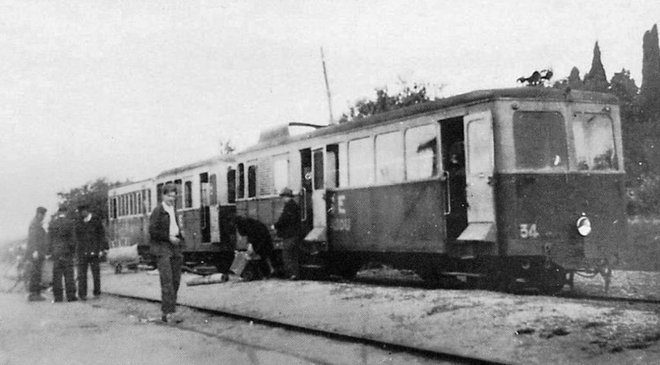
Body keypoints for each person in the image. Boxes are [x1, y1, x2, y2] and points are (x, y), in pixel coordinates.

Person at [149, 183, 184, 323]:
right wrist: (168, 237)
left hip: (175, 247)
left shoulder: (173, 210)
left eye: (174, 196)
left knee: (176, 280)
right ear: (163, 196)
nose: (172, 199)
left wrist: (180, 236)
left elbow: (175, 226)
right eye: (169, 196)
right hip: (162, 247)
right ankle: (167, 313)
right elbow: (152, 231)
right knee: (167, 281)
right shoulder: (158, 211)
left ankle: (171, 311)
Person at [74, 204, 108, 300]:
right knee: (82, 274)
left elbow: (101, 236)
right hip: (82, 252)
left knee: (96, 273)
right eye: (80, 212)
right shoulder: (79, 222)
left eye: (82, 212)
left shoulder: (96, 221)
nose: (81, 214)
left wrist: (102, 249)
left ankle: (97, 292)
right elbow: (77, 237)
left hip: (94, 251)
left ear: (87, 211)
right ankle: (82, 294)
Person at [47, 207, 77, 302]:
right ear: (66, 212)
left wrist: (49, 252)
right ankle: (71, 296)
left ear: (58, 213)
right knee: (69, 275)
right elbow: (73, 240)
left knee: (57, 276)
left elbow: (49, 240)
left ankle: (58, 297)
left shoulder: (52, 224)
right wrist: (72, 252)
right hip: (66, 252)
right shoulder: (70, 223)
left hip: (56, 252)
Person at [274, 187, 301, 280]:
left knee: (287, 255)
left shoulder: (289, 206)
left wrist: (276, 225)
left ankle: (291, 274)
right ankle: (295, 274)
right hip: (295, 234)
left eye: (283, 197)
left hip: (289, 235)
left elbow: (284, 219)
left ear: (286, 197)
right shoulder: (295, 205)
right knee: (294, 256)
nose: (282, 199)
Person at [26, 206, 48, 302]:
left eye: (44, 215)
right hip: (36, 252)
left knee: (37, 272)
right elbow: (33, 238)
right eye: (42, 215)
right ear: (38, 214)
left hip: (39, 252)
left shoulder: (37, 223)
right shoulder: (35, 224)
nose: (43, 217)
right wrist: (35, 251)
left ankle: (36, 293)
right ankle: (33, 294)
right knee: (35, 273)